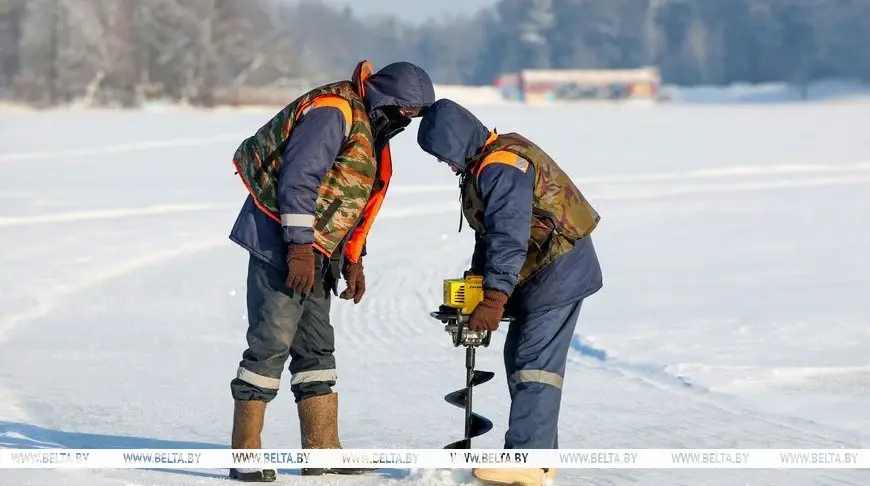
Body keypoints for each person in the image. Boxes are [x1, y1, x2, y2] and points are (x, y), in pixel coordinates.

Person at [227, 60, 435, 482]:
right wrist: (300, 249)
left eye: (414, 115)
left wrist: (354, 260)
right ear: (388, 98)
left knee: (317, 349)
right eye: (406, 110)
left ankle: (323, 450)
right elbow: (299, 180)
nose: (407, 120)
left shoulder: (372, 127)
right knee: (270, 343)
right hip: (280, 245)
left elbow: (354, 199)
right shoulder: (335, 112)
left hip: (319, 251)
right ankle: (245, 452)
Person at [417, 99, 604, 486]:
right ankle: (539, 455)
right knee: (521, 357)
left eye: (443, 155)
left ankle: (526, 459)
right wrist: (477, 282)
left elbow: (509, 237)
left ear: (456, 142)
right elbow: (489, 236)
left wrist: (494, 298)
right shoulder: (486, 161)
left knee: (534, 362)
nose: (445, 164)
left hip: (560, 269)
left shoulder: (501, 166)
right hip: (542, 270)